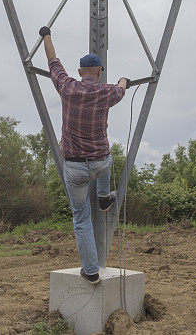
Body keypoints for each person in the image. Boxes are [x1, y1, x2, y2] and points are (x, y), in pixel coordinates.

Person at [39, 26, 128, 284]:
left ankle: (90, 271)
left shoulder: (67, 87)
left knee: (81, 219)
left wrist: (47, 35)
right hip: (100, 162)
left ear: (79, 72)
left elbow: (53, 62)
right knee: (107, 157)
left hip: (75, 167)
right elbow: (121, 89)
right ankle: (103, 195)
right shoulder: (106, 92)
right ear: (100, 72)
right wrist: (123, 80)